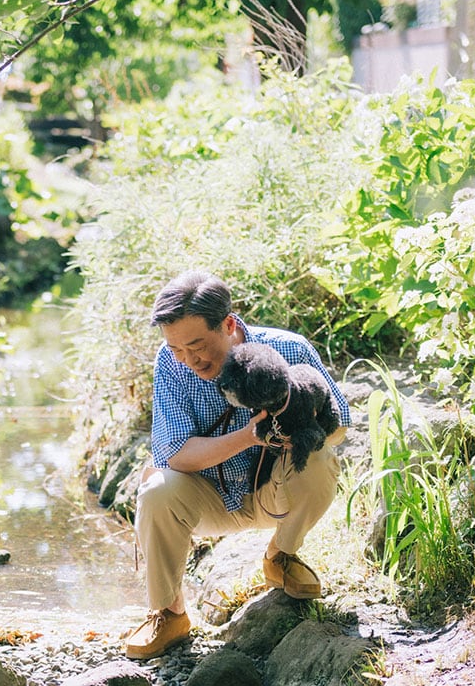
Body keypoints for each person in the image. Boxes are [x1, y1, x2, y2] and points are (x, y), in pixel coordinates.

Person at [124, 269, 350, 661]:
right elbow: (174, 453)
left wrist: (297, 431)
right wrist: (249, 436)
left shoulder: (290, 348)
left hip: (276, 489)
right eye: (177, 349)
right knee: (157, 488)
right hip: (207, 495)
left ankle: (281, 556)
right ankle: (169, 612)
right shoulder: (171, 363)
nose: (189, 359)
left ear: (228, 324)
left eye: (197, 345)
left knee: (320, 457)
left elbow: (341, 424)